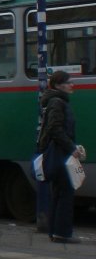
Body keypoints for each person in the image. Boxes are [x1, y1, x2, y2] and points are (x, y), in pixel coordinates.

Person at [37, 70, 85, 243]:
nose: (72, 85)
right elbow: (55, 129)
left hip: (61, 152)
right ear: (58, 85)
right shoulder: (57, 102)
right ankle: (62, 233)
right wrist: (71, 148)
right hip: (61, 153)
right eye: (68, 82)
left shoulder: (57, 101)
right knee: (65, 192)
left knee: (59, 192)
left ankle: (55, 232)